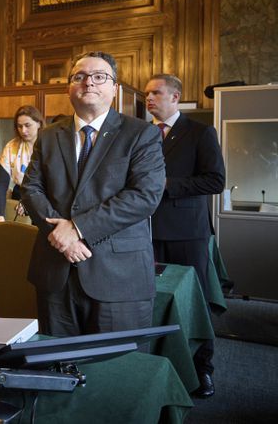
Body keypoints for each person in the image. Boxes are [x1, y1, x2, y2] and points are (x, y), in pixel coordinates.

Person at [21, 52, 165, 337]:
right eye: (79, 77)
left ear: (114, 88)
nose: (89, 83)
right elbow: (31, 188)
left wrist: (77, 228)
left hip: (117, 276)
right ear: (69, 88)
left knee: (117, 371)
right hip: (56, 273)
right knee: (57, 368)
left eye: (99, 77)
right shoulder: (49, 135)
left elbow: (144, 196)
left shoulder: (140, 134)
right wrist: (63, 240)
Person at [145, 73, 225, 398]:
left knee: (195, 302)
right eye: (147, 94)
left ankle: (202, 370)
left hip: (188, 233)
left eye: (156, 93)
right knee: (154, 300)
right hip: (146, 232)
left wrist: (168, 185)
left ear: (175, 97)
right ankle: (160, 365)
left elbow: (215, 181)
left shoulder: (201, 132)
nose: (149, 98)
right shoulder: (143, 135)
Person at [0, 105, 44, 221]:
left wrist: (29, 202)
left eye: (27, 125)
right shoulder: (12, 146)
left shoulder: (50, 145)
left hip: (44, 198)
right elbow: (1, 184)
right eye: (19, 126)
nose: (23, 131)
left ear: (39, 124)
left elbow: (52, 184)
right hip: (19, 195)